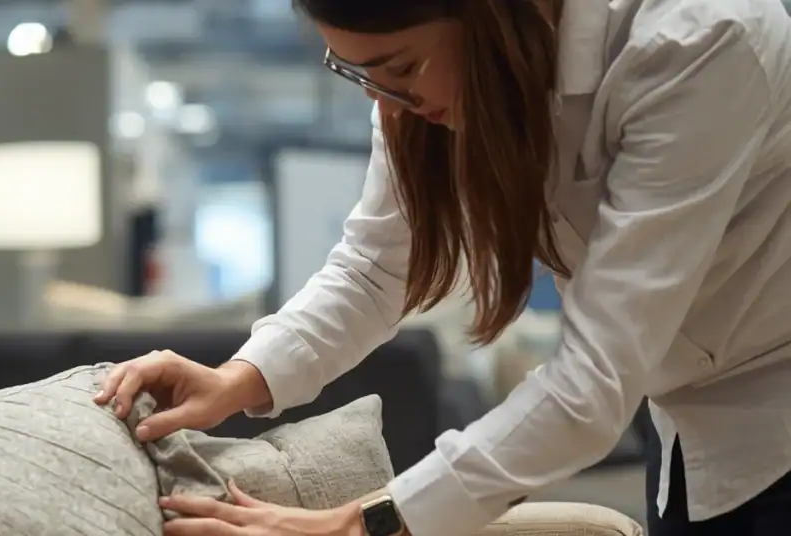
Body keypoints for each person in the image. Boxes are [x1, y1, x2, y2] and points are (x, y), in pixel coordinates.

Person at [95, 0, 791, 535]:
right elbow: (373, 269)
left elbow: (592, 383)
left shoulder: (699, 41)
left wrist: (369, 520)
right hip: (690, 435)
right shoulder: (419, 86)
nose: (385, 98)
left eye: (399, 68)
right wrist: (234, 379)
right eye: (358, 71)